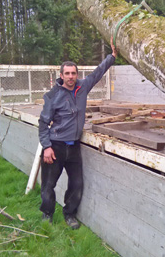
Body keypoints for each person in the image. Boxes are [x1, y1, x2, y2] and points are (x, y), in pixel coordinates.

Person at [38, 38, 117, 229]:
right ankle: (47, 214)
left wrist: (112, 56)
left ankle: (70, 214)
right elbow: (42, 122)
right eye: (67, 73)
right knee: (49, 184)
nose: (71, 76)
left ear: (77, 74)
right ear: (61, 75)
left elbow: (98, 72)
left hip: (74, 147)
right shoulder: (53, 95)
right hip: (55, 146)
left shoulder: (83, 87)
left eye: (73, 73)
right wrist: (46, 147)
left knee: (76, 184)